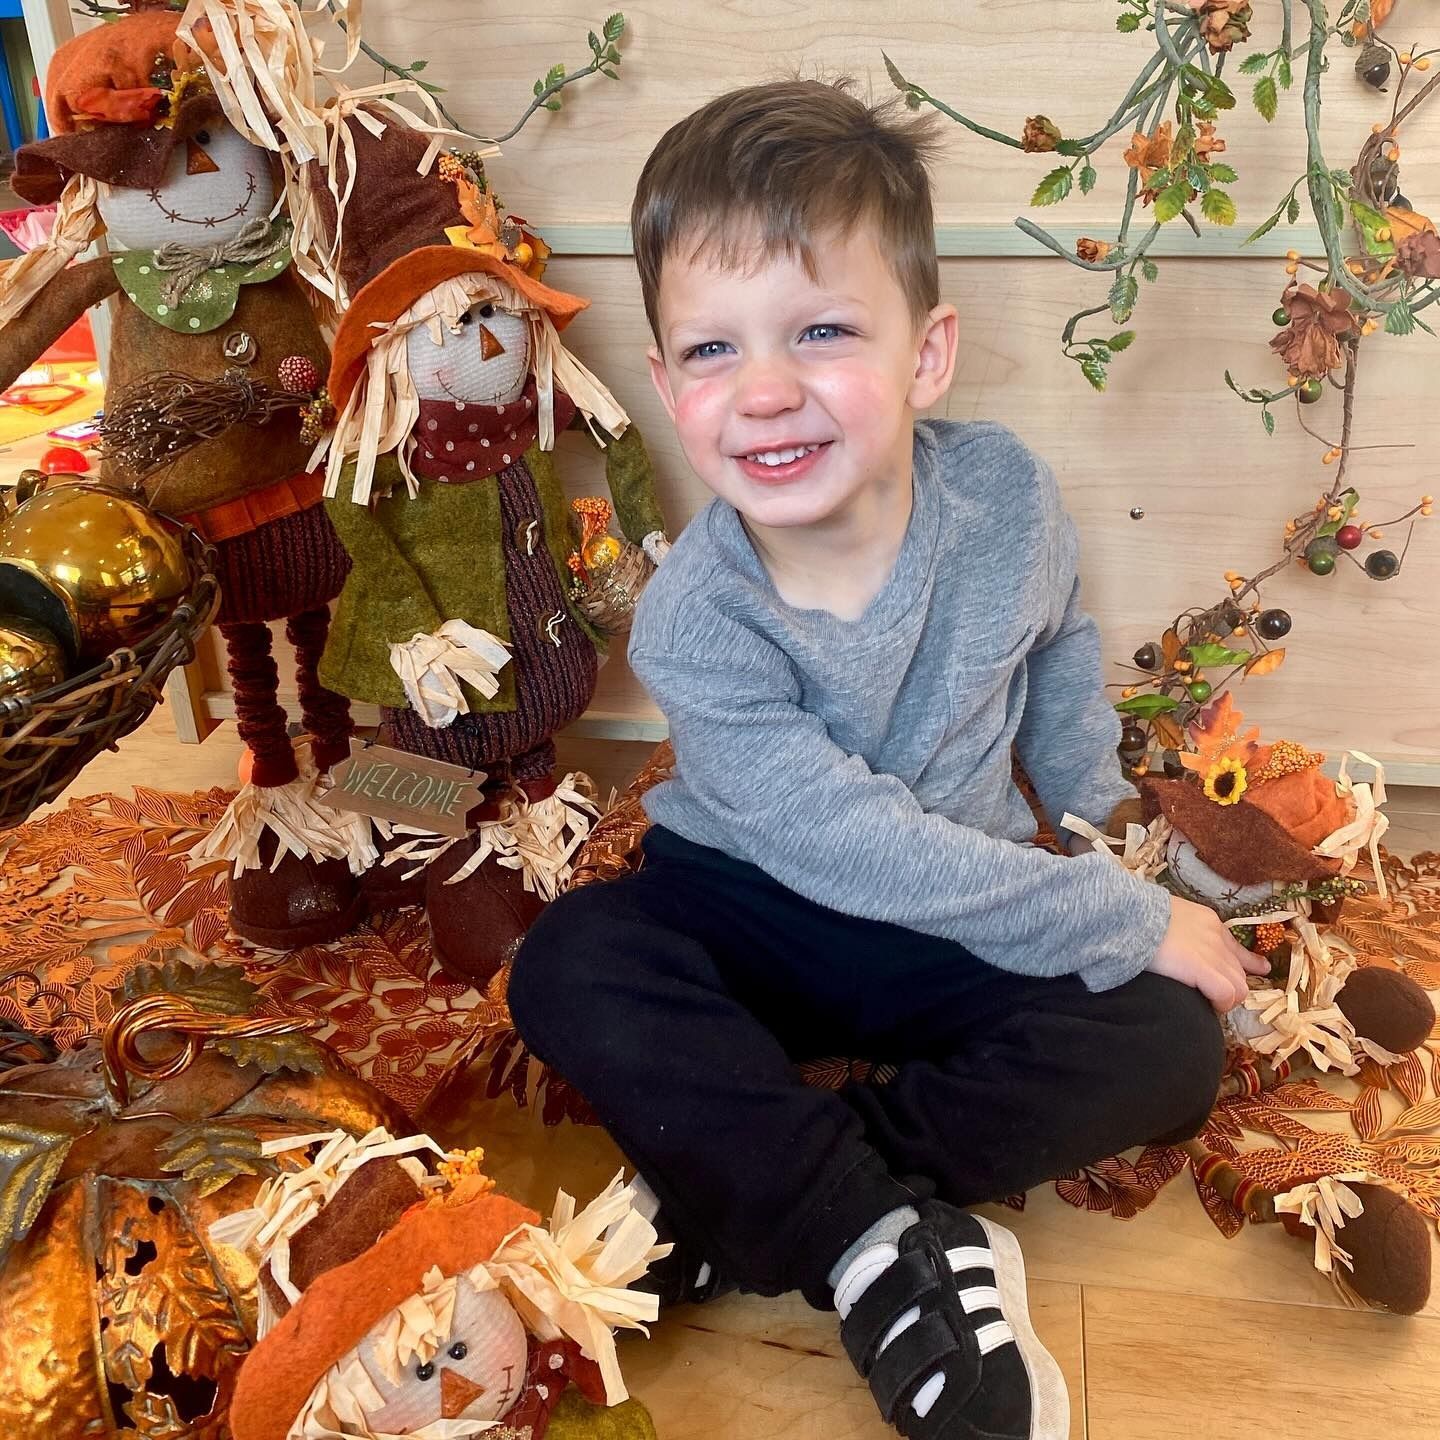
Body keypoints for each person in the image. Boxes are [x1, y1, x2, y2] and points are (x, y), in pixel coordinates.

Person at [508, 78, 1264, 1440]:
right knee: (572, 963)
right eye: (711, 350)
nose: (768, 390)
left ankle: (778, 1195)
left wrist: (1113, 841)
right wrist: (1117, 913)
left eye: (824, 331)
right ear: (669, 379)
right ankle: (880, 1249)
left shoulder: (1010, 499)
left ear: (927, 354)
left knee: (1165, 1045)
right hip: (751, 898)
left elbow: (1054, 659)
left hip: (954, 909)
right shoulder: (698, 612)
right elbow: (844, 838)